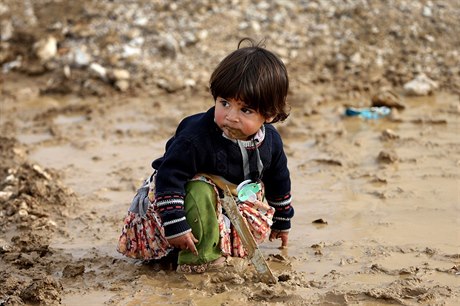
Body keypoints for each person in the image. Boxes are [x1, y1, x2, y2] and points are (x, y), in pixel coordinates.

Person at [117, 37, 294, 273]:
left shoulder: (270, 142)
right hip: (174, 203)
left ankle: (219, 244)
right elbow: (170, 178)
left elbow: (279, 181)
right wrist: (176, 225)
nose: (231, 116)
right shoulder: (196, 138)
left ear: (269, 114)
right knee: (200, 190)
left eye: (246, 110)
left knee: (252, 191)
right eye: (224, 103)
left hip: (230, 200)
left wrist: (282, 221)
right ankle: (198, 260)